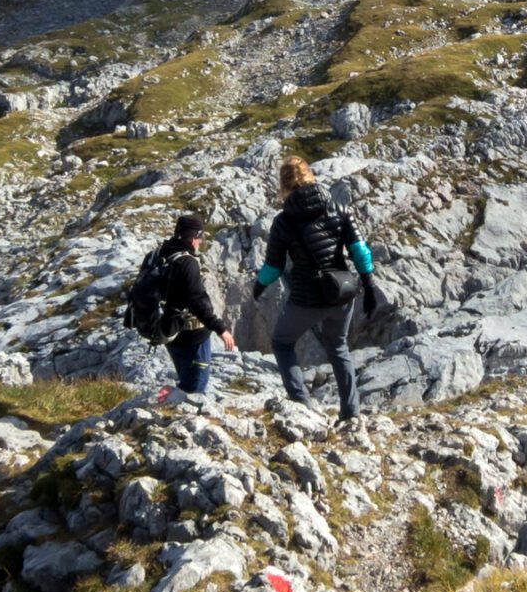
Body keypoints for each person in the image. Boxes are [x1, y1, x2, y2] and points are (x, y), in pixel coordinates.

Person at [253, 156, 378, 425]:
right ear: (310, 175)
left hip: (306, 298)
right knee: (339, 347)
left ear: (284, 184)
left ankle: (302, 405)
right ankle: (350, 412)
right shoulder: (339, 208)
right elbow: (359, 251)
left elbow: (273, 268)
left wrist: (259, 286)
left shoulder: (284, 221)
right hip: (342, 292)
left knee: (283, 343)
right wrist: (368, 286)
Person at [150, 212, 234, 402]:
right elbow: (196, 301)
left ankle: (172, 396)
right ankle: (178, 408)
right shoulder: (187, 263)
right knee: (196, 388)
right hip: (193, 335)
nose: (200, 242)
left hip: (169, 330)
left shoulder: (160, 254)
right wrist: (221, 329)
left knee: (187, 379)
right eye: (200, 237)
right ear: (195, 237)